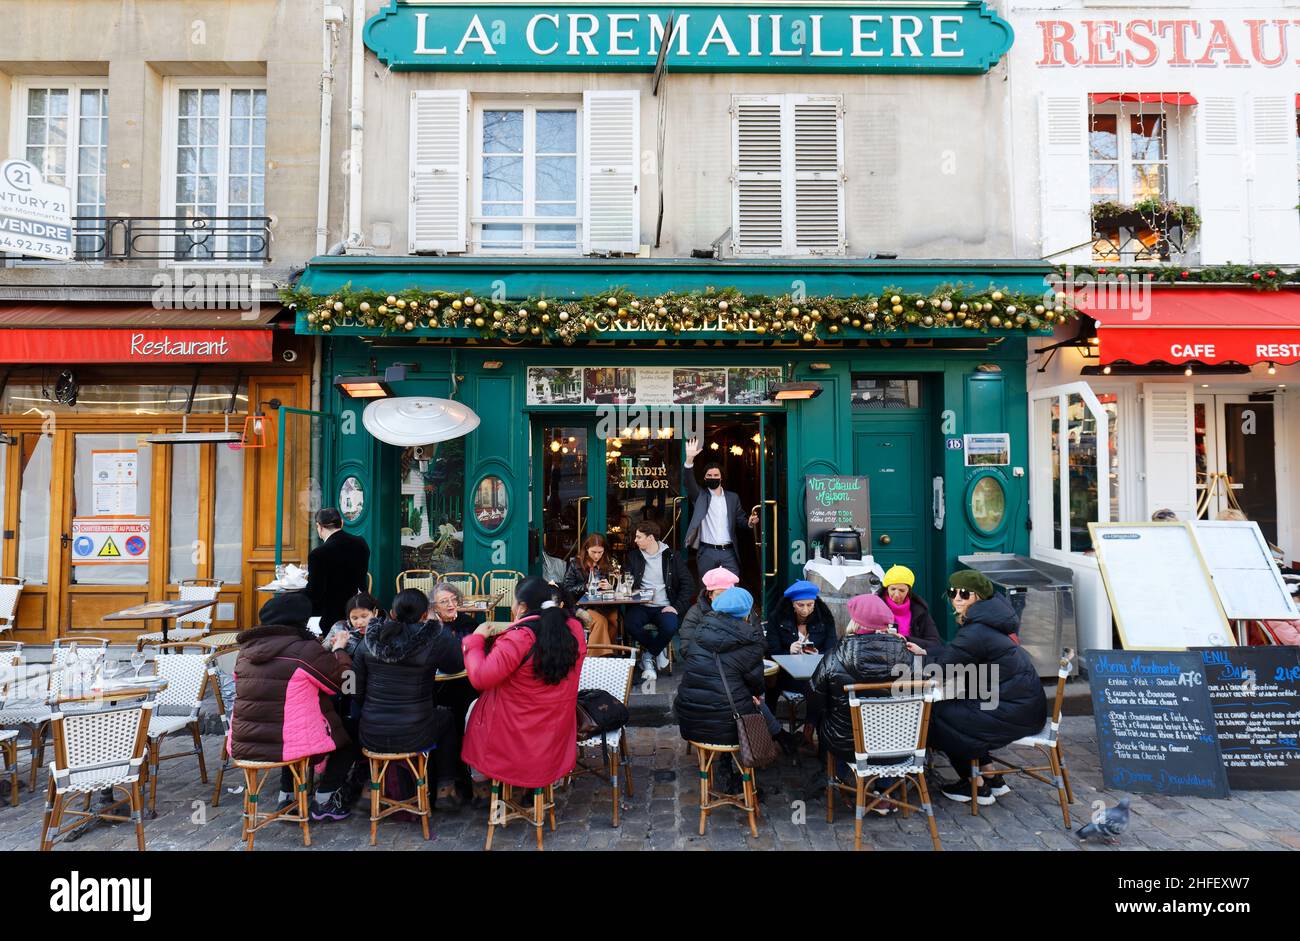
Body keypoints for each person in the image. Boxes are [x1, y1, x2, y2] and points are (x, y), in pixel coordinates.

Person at [229, 591, 356, 819]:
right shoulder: (304, 650)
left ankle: (286, 795)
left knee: (286, 728)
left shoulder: (245, 651)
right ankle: (325, 799)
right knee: (349, 739)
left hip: (245, 743)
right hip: (286, 743)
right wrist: (339, 651)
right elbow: (346, 686)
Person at [928, 570, 1047, 806]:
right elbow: (958, 656)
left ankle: (975, 786)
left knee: (937, 717)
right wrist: (927, 652)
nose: (957, 598)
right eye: (953, 592)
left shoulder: (975, 631)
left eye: (965, 594)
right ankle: (991, 776)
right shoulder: (989, 622)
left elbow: (941, 671)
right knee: (959, 712)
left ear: (980, 597)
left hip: (1012, 711)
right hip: (1026, 707)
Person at [461, 577, 586, 800]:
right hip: (554, 733)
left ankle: (481, 783)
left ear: (522, 607)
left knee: (472, 709)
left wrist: (476, 640)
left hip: (516, 734)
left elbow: (480, 678)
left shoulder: (519, 638)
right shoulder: (573, 630)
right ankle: (526, 787)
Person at [349, 588, 466, 814]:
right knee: (447, 717)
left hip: (371, 733)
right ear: (425, 614)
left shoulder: (368, 641)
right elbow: (456, 665)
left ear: (392, 613)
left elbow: (353, 687)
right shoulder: (436, 637)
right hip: (415, 732)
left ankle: (368, 787)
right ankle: (446, 788)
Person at [810, 593, 926, 811]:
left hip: (848, 743)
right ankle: (883, 789)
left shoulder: (835, 656)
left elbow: (815, 696)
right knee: (885, 727)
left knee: (830, 720)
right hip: (899, 744)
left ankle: (848, 781)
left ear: (855, 621)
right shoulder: (907, 657)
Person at [674, 586, 779, 761]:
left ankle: (726, 768)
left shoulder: (699, 631)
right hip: (730, 728)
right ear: (746, 614)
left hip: (689, 720)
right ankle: (778, 741)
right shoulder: (751, 642)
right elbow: (757, 686)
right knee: (754, 703)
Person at [765, 580, 838, 744]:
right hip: (785, 674)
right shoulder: (777, 618)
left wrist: (819, 653)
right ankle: (772, 735)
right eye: (801, 605)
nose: (806, 610)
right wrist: (789, 650)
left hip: (814, 673)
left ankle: (810, 728)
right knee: (770, 687)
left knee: (820, 688)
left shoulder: (824, 618)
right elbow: (771, 649)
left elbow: (832, 649)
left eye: (810, 605)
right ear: (792, 604)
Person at [625, 520, 695, 680]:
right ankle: (657, 650)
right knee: (630, 624)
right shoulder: (633, 556)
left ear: (650, 538)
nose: (635, 540)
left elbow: (688, 584)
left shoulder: (672, 556)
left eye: (639, 537)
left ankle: (648, 656)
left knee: (670, 626)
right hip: (641, 606)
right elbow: (626, 580)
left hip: (664, 606)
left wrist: (676, 607)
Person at [683, 436, 759, 579]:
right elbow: (688, 482)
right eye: (709, 475)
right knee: (706, 591)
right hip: (707, 552)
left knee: (731, 588)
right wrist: (689, 460)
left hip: (729, 552)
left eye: (716, 475)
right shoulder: (700, 496)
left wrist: (749, 522)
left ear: (721, 477)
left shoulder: (732, 498)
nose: (713, 477)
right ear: (705, 478)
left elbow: (740, 519)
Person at [306, 507, 371, 633]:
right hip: (357, 609)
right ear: (341, 523)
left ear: (319, 526)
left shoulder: (318, 554)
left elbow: (315, 593)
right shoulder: (360, 543)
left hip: (330, 616)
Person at [563, 533, 621, 648]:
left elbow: (619, 584)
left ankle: (611, 653)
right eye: (593, 552)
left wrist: (610, 586)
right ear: (586, 549)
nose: (597, 556)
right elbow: (567, 589)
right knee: (600, 621)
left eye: (600, 552)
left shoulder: (609, 562)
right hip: (583, 606)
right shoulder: (576, 563)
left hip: (604, 605)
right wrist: (586, 586)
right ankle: (595, 658)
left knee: (615, 620)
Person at [875, 565, 944, 653]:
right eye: (893, 589)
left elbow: (935, 643)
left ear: (909, 591)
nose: (896, 594)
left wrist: (906, 639)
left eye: (902, 590)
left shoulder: (920, 610)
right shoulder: (875, 607)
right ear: (886, 589)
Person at [678, 566, 740, 660]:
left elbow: (758, 643)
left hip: (736, 664)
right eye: (719, 594)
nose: (724, 598)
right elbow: (686, 648)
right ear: (710, 595)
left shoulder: (742, 610)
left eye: (727, 594)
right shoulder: (695, 613)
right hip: (707, 665)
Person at [322, 592, 382, 663]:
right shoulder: (339, 627)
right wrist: (332, 643)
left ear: (375, 612)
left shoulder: (385, 632)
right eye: (354, 618)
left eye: (364, 616)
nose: (359, 622)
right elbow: (321, 653)